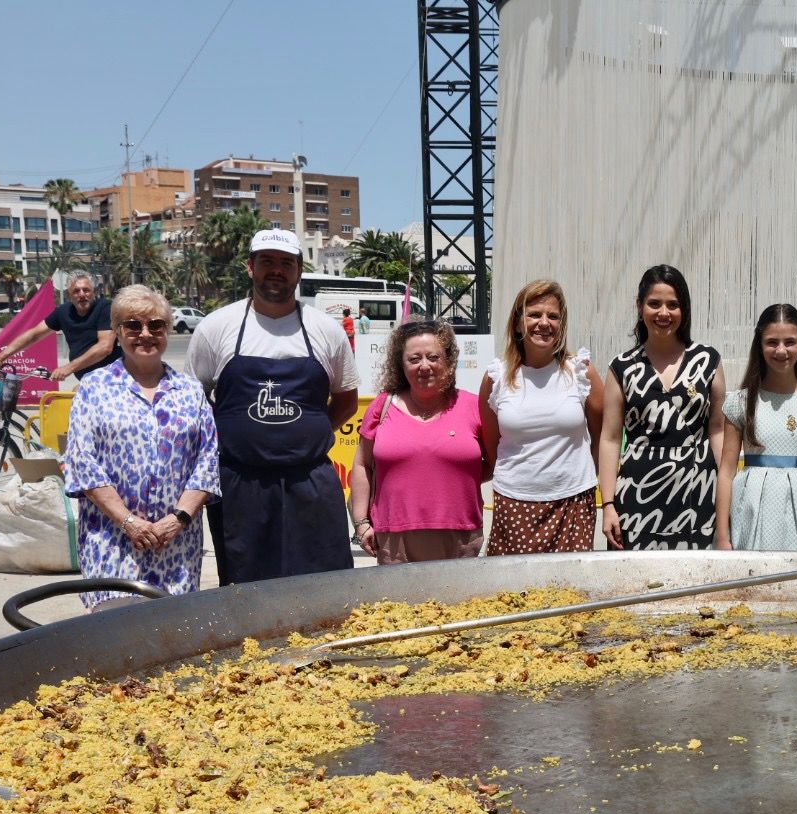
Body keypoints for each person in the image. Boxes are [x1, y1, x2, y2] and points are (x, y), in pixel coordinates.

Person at [185, 228, 358, 584]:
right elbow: (193, 402)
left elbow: (346, 399)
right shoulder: (216, 327)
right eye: (267, 262)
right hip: (239, 485)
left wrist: (305, 435)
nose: (276, 270)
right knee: (245, 588)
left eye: (285, 263)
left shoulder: (326, 330)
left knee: (325, 584)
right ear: (250, 267)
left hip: (311, 481)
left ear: (298, 271)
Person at [62, 286, 218, 610]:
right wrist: (128, 522)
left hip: (175, 545)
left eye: (156, 325)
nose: (145, 334)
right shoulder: (94, 387)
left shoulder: (190, 391)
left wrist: (178, 519)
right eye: (133, 325)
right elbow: (82, 461)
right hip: (111, 541)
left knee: (171, 639)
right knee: (114, 640)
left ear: (167, 331)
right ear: (118, 332)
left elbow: (207, 461)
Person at [598, 265, 725, 549]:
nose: (664, 313)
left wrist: (727, 493)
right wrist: (608, 504)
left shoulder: (708, 360)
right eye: (654, 304)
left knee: (697, 586)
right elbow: (609, 438)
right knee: (636, 584)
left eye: (673, 305)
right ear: (640, 306)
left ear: (685, 309)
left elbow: (717, 430)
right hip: (637, 498)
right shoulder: (622, 367)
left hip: (699, 495)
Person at [479, 280, 603, 555]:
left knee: (571, 592)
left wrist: (580, 475)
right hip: (514, 503)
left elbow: (603, 436)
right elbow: (492, 445)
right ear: (517, 323)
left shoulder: (581, 372)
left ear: (562, 324)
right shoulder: (495, 378)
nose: (544, 323)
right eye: (534, 314)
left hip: (573, 503)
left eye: (553, 316)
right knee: (514, 592)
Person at [350, 321, 486, 563]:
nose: (425, 366)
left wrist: (455, 476)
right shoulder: (382, 406)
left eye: (433, 357)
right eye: (414, 359)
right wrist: (361, 523)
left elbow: (493, 462)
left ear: (448, 361)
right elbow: (362, 465)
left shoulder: (473, 407)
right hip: (394, 539)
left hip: (460, 535)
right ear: (400, 365)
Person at [716, 303, 797, 552]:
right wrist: (722, 535)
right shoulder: (740, 402)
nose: (781, 350)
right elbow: (726, 472)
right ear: (759, 345)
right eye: (772, 342)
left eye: (790, 342)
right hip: (753, 510)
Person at [0, 269, 122, 382]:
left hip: (111, 378)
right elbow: (34, 335)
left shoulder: (105, 308)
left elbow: (105, 347)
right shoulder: (63, 312)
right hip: (88, 380)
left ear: (93, 292)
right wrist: (1, 357)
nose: (82, 294)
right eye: (76, 291)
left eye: (86, 290)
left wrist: (68, 368)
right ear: (69, 295)